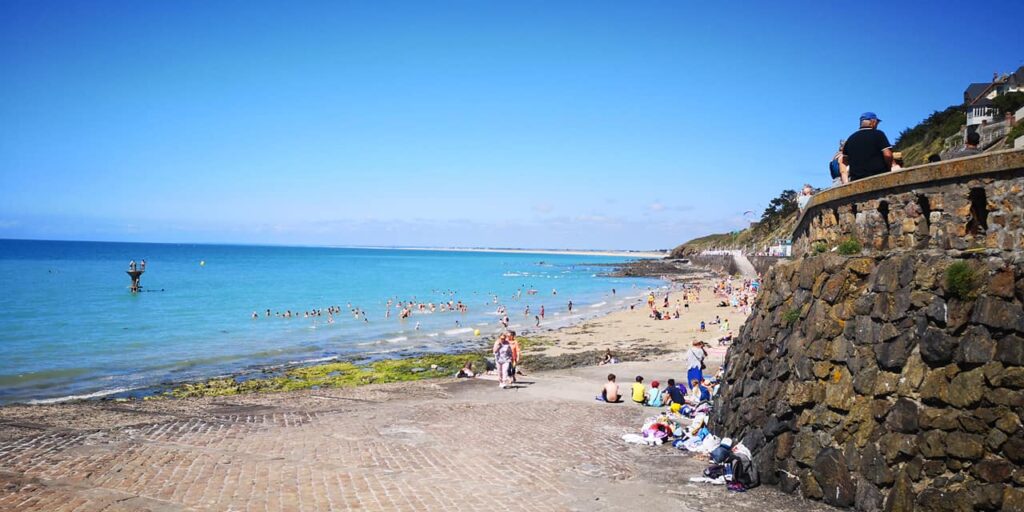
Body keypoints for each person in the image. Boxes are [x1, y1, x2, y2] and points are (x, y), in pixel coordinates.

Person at [842, 112, 893, 182]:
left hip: (856, 181)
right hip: (878, 178)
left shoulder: (850, 139)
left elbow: (844, 161)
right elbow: (888, 155)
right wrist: (889, 168)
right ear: (873, 122)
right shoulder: (878, 134)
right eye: (877, 123)